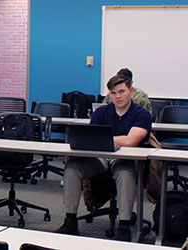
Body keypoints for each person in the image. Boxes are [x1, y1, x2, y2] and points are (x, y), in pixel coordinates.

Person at [56, 75, 152, 241]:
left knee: (125, 174)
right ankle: (70, 221)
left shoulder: (142, 114)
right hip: (100, 158)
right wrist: (113, 139)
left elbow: (131, 141)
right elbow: (93, 138)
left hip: (125, 160)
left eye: (122, 91)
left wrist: (106, 139)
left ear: (131, 91)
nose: (118, 96)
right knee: (72, 168)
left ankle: (124, 224)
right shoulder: (101, 111)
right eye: (113, 93)